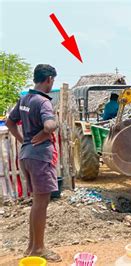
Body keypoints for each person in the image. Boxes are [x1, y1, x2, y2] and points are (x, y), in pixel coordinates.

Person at [6, 64, 61, 262]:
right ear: (48, 80)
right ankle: (38, 248)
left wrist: (24, 141)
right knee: (41, 204)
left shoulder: (24, 99)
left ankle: (31, 246)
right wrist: (49, 128)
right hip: (40, 157)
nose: (51, 83)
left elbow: (10, 122)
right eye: (52, 80)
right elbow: (50, 124)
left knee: (37, 203)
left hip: (27, 156)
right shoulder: (43, 102)